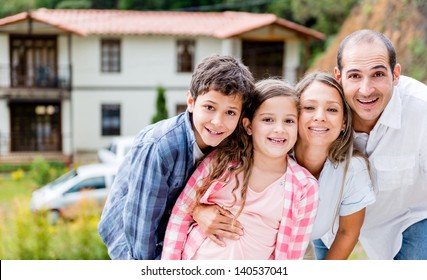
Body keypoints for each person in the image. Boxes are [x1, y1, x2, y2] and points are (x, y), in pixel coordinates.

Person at [97, 54, 255, 260]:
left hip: (176, 237)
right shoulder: (160, 146)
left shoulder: (230, 142)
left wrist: (196, 210)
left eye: (230, 112)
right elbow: (141, 229)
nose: (218, 121)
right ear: (191, 101)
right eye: (209, 107)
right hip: (132, 244)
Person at [161, 79, 319, 260]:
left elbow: (292, 256)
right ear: (248, 126)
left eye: (289, 121)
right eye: (268, 119)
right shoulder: (221, 163)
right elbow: (181, 213)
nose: (279, 129)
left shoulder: (305, 187)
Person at [333, 29, 427, 260]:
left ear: (395, 74)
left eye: (378, 74)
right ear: (339, 77)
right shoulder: (320, 111)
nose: (366, 90)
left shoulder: (421, 109)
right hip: (334, 224)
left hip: (411, 218)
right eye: (354, 76)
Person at [294, 72, 375, 259]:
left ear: (344, 122)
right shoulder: (274, 154)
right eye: (309, 107)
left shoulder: (353, 169)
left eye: (332, 110)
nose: (320, 117)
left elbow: (347, 232)